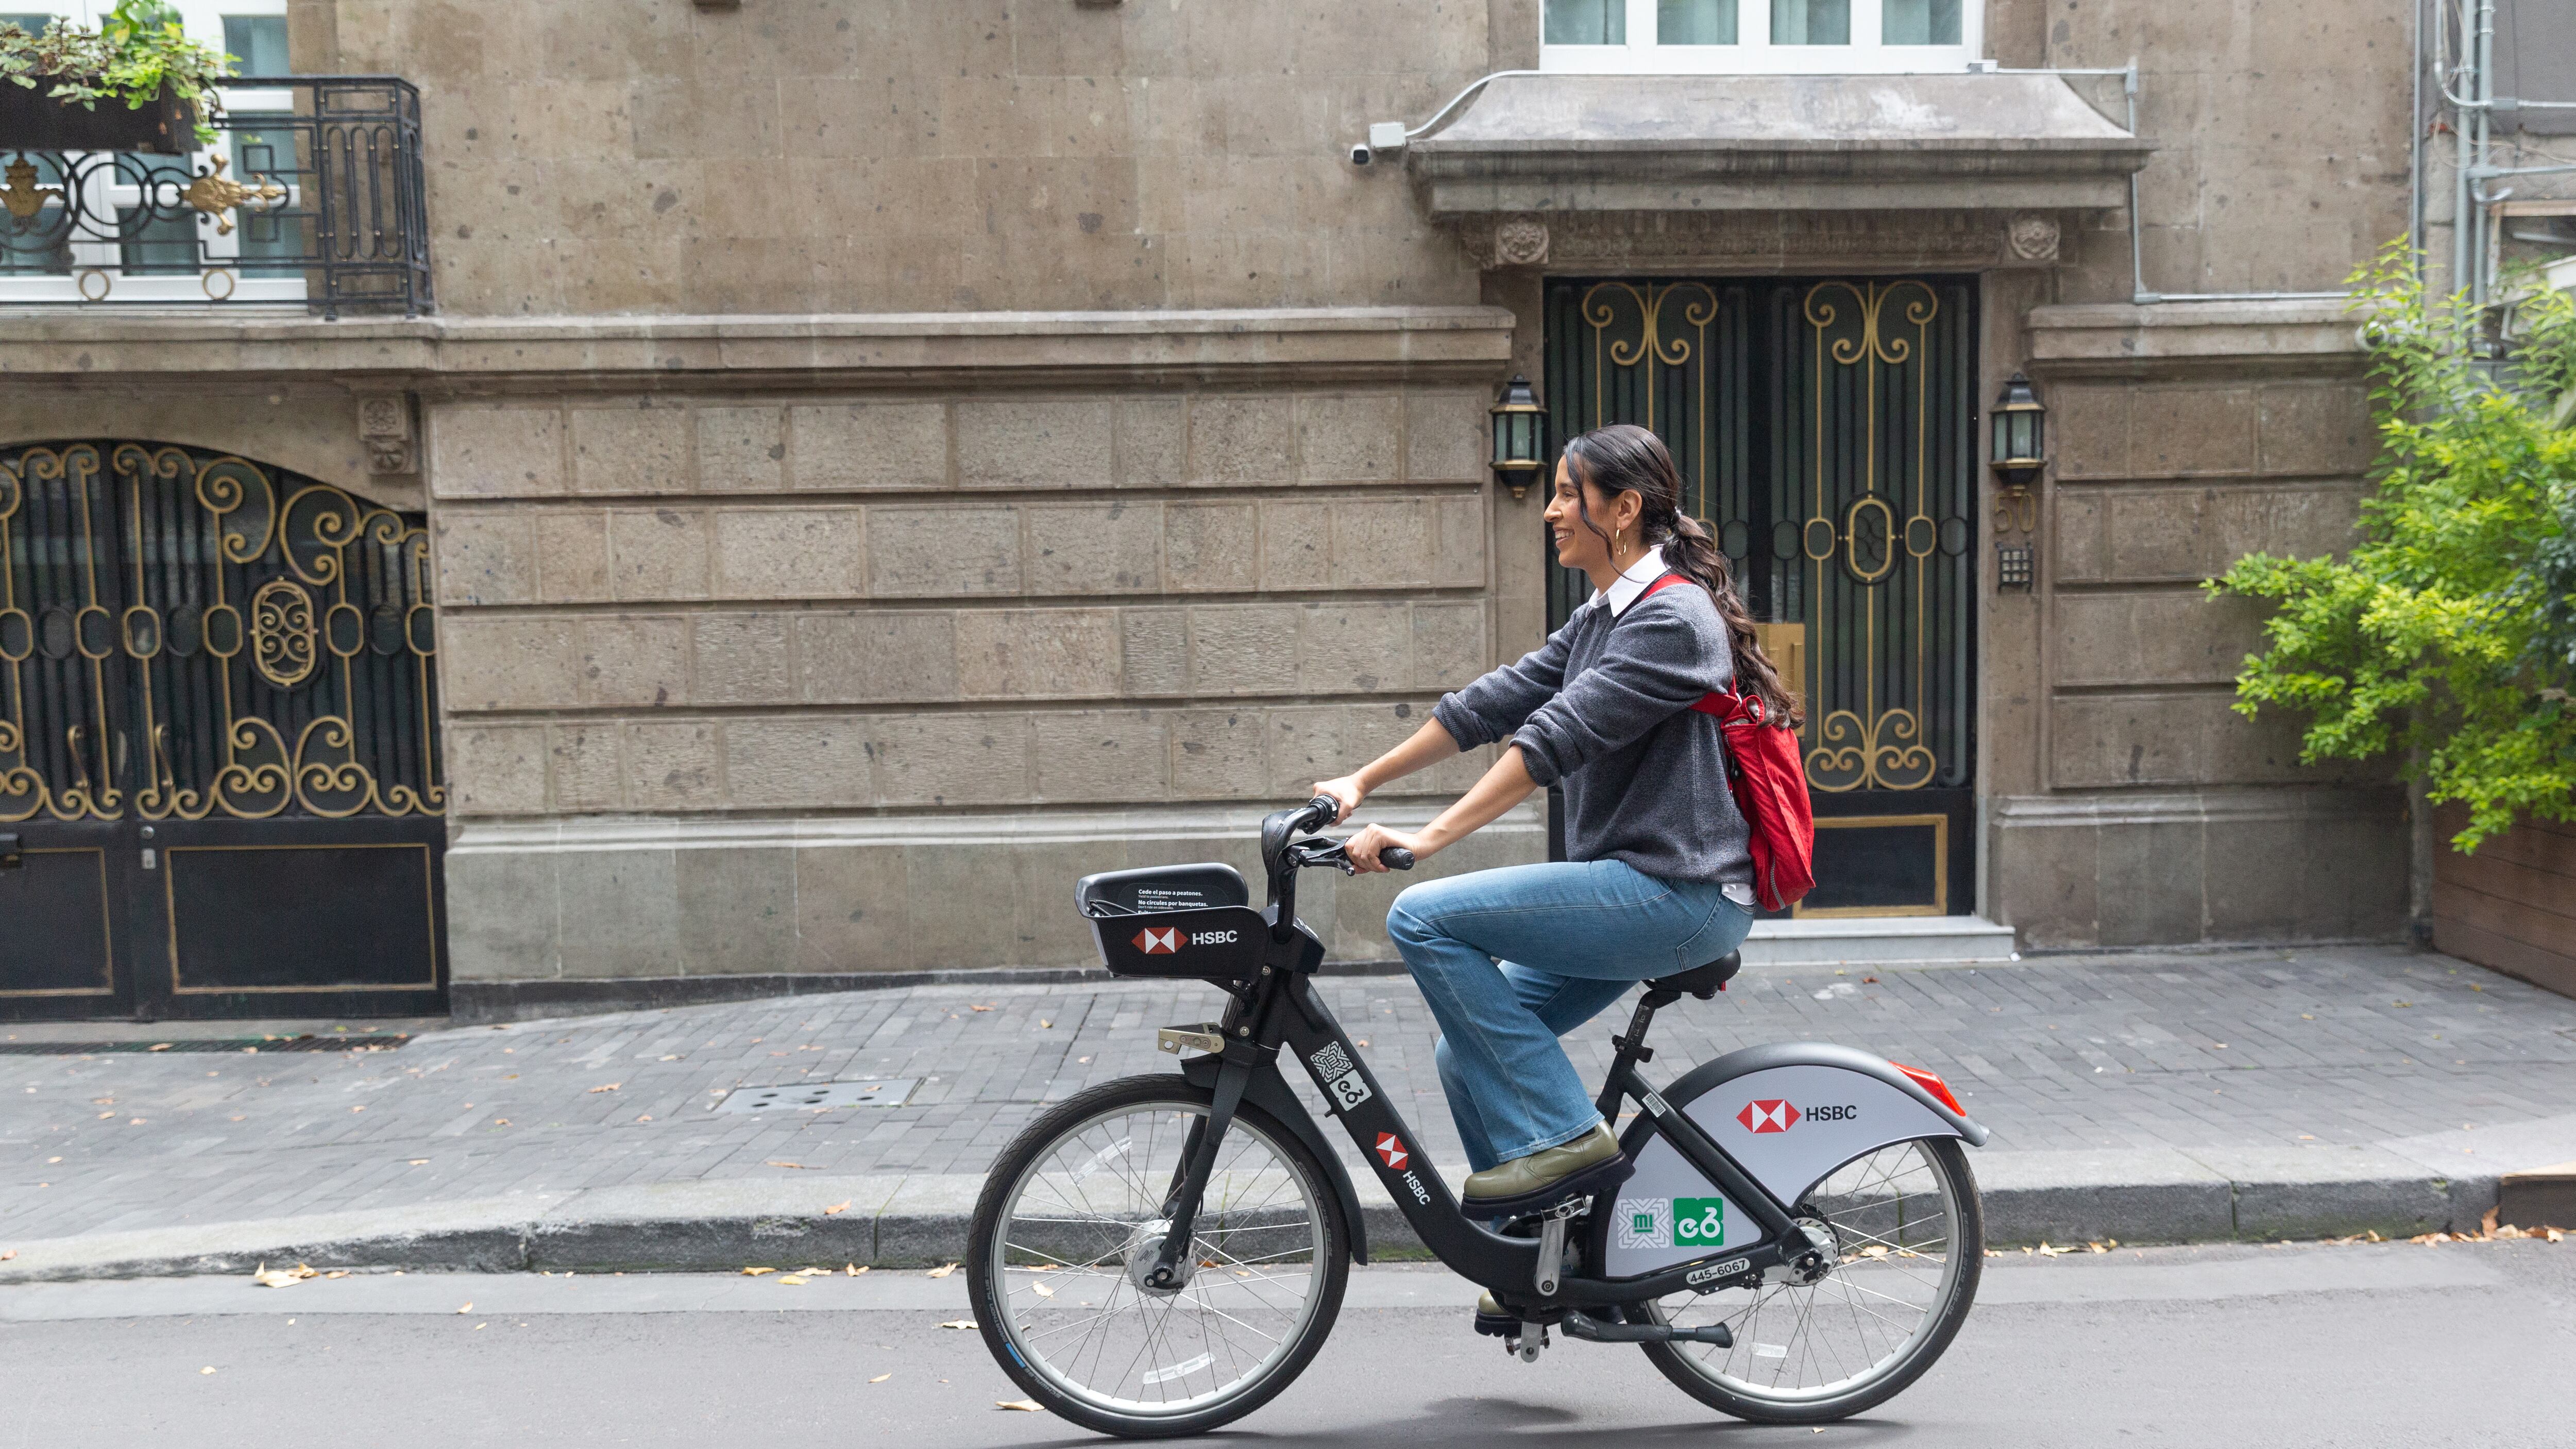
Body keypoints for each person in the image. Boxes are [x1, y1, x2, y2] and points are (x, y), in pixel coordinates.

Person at [1315, 423, 1803, 1250]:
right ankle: (1541, 1257)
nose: (1550, 510)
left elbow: (1552, 738)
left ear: (1624, 510)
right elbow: (1491, 704)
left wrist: (1429, 839)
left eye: (1569, 493)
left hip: (1677, 894)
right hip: (1634, 887)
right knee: (1462, 1057)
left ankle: (1569, 1141)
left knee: (1423, 917)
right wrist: (1361, 781)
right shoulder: (1604, 615)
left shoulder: (1673, 619)